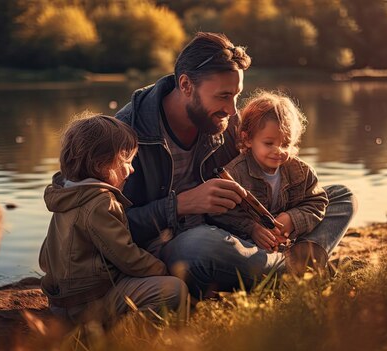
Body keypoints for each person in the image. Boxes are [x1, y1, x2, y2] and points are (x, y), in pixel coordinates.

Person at [116, 32, 357, 298]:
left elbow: (263, 170)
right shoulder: (126, 133)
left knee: (339, 197)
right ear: (186, 85)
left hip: (236, 235)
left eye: (236, 96)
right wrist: (181, 204)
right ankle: (300, 271)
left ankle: (293, 264)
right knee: (198, 245)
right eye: (223, 96)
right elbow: (109, 226)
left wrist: (284, 219)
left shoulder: (224, 121)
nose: (232, 111)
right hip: (180, 249)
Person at [39, 114, 187, 325]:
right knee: (174, 290)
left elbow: (46, 256)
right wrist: (161, 269)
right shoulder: (100, 203)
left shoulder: (66, 194)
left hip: (62, 302)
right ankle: (123, 335)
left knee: (152, 250)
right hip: (88, 304)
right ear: (102, 166)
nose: (132, 169)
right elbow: (126, 256)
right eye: (127, 161)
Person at [208, 90, 328, 257]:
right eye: (269, 143)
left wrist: (292, 219)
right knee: (213, 243)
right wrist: (252, 229)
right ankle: (295, 260)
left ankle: (297, 255)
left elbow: (318, 201)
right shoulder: (234, 173)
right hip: (251, 243)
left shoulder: (301, 171)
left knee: (345, 200)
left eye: (286, 143)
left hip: (289, 236)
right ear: (248, 139)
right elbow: (219, 214)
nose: (278, 150)